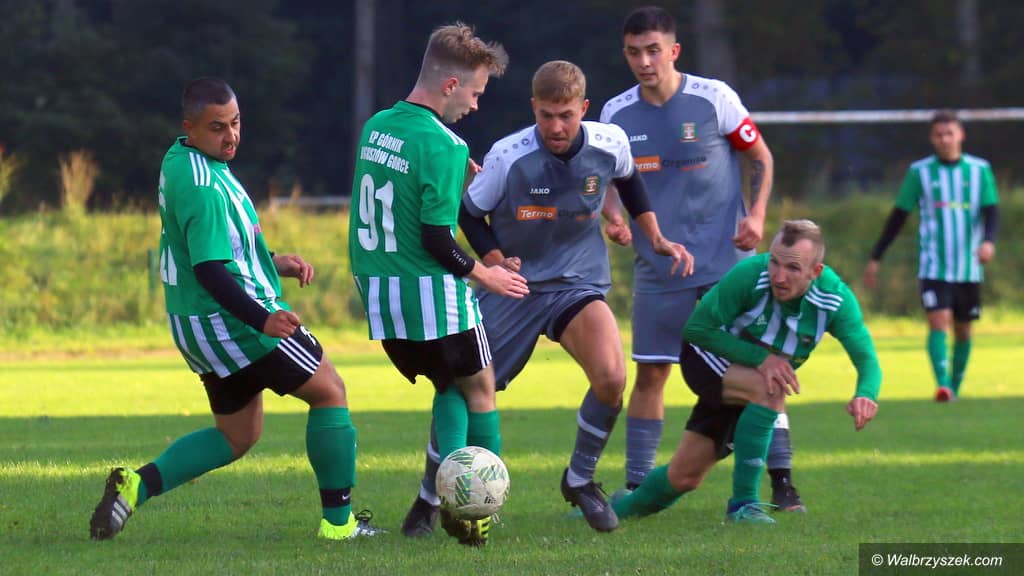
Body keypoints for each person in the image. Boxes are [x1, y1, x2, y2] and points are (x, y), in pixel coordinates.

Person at [401, 59, 694, 534]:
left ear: (584, 108)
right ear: (533, 108)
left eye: (566, 116)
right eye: (546, 116)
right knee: (461, 385)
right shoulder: (507, 155)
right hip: (514, 287)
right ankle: (430, 497)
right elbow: (469, 214)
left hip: (577, 282)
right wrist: (495, 261)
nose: (556, 127)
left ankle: (580, 479)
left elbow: (630, 182)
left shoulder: (610, 142)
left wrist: (654, 236)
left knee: (612, 378)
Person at [89, 77, 380, 541]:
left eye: (236, 123)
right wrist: (262, 318)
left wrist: (271, 262)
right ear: (190, 126)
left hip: (196, 324)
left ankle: (136, 486)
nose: (231, 136)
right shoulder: (204, 185)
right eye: (217, 127)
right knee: (330, 391)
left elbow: (210, 246)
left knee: (236, 435)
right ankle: (339, 525)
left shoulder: (181, 158)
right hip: (232, 320)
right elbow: (209, 269)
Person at [598, 5, 802, 513]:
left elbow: (760, 157)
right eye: (634, 53)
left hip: (728, 267)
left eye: (653, 50)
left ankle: (781, 481)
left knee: (760, 367)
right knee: (651, 374)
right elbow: (605, 179)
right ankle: (637, 484)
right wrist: (612, 216)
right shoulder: (615, 115)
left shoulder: (715, 98)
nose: (644, 62)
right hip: (658, 269)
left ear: (674, 50)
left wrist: (757, 215)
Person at [348, 23, 527, 547]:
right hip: (430, 295)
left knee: (449, 385)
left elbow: (401, 195)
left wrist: (453, 176)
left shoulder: (377, 126)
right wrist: (486, 274)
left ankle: (436, 504)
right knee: (482, 389)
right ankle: (475, 512)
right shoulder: (446, 143)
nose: (475, 104)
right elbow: (435, 239)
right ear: (450, 85)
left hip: (382, 297)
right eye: (475, 92)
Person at [610, 219, 881, 524]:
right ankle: (744, 504)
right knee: (770, 388)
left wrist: (866, 394)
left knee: (684, 477)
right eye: (774, 262)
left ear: (815, 272)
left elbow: (867, 358)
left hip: (748, 379)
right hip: (706, 357)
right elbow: (697, 329)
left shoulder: (835, 300)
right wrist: (762, 359)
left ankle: (617, 509)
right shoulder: (750, 275)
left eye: (792, 268)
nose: (779, 276)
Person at [864, 110, 998, 403]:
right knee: (939, 321)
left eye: (950, 133)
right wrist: (876, 256)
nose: (945, 139)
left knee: (963, 330)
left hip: (968, 267)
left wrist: (988, 242)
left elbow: (991, 212)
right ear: (932, 138)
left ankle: (955, 387)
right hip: (933, 266)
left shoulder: (980, 170)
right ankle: (943, 386)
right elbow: (898, 216)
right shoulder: (920, 172)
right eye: (939, 134)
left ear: (960, 135)